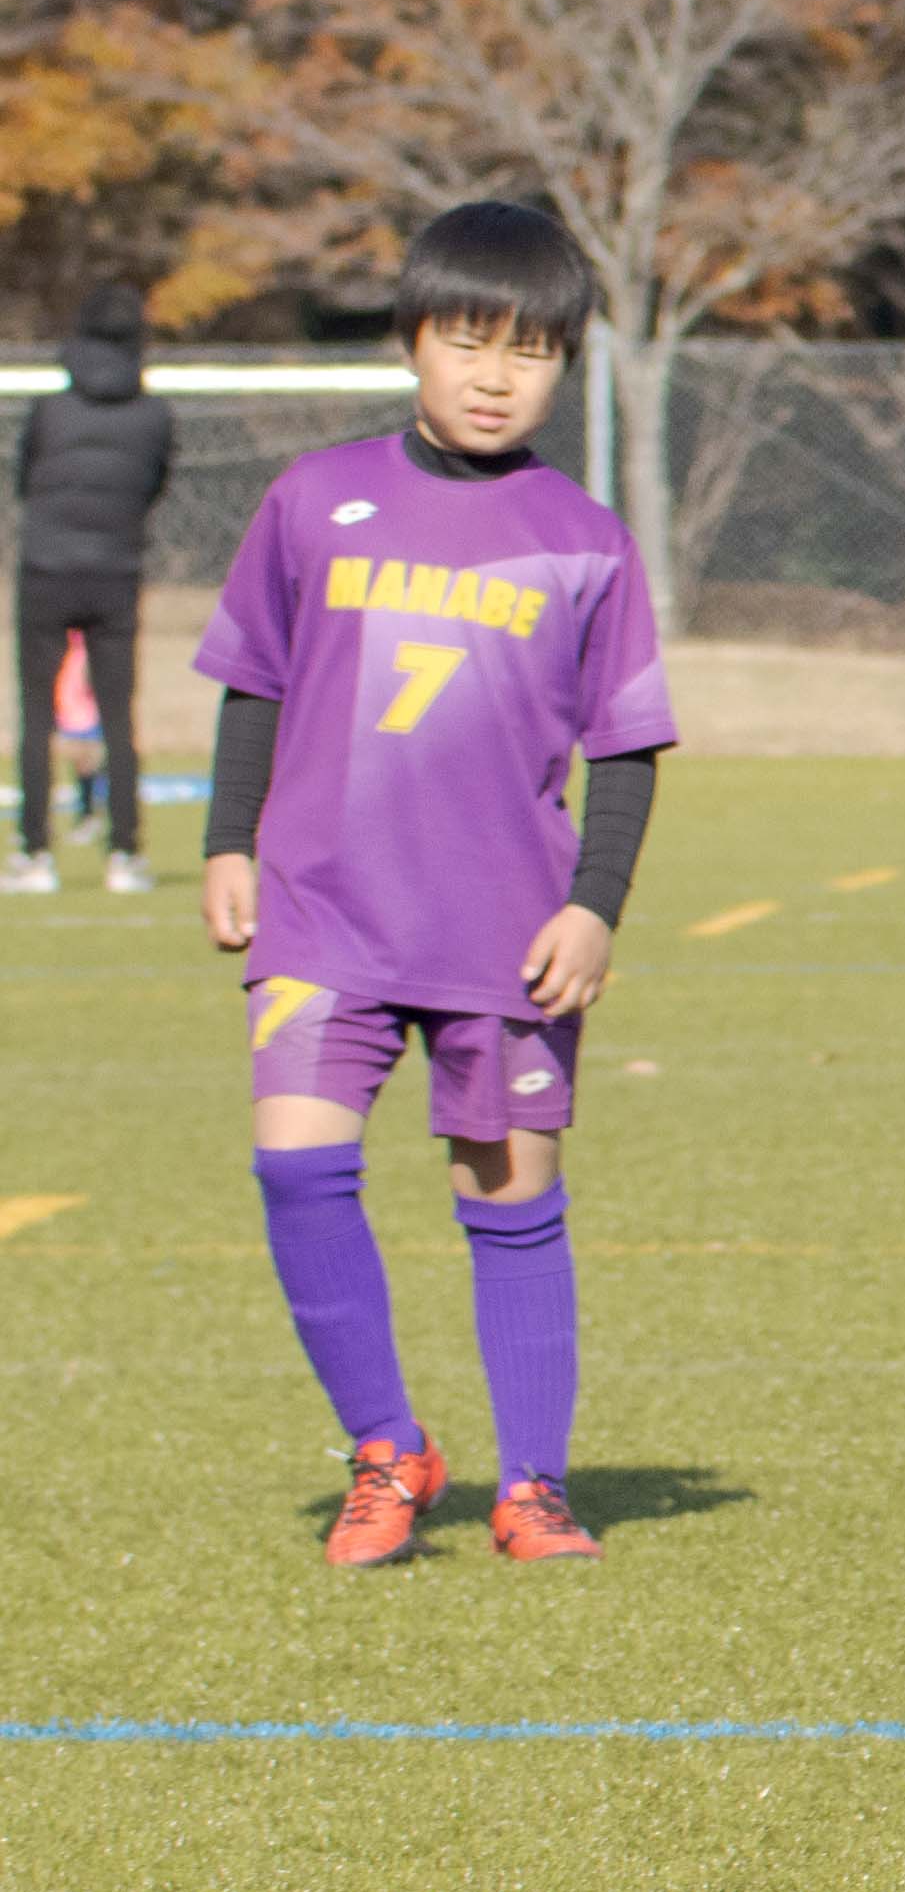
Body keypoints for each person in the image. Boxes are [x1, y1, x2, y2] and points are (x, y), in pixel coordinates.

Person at [195, 205, 675, 1564]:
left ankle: (532, 1484)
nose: (490, 373)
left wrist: (595, 906)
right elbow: (253, 684)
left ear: (562, 368)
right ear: (413, 340)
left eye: (526, 352)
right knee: (297, 1167)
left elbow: (628, 745)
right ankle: (387, 1450)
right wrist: (228, 841)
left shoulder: (585, 537)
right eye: (466, 340)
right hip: (319, 905)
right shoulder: (312, 497)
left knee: (509, 1195)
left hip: (504, 929)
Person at [12, 284, 172, 896]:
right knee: (117, 718)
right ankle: (125, 854)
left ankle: (34, 854)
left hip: (46, 570)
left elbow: (28, 478)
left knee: (35, 718)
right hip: (117, 572)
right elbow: (153, 483)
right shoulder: (154, 414)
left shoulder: (50, 411)